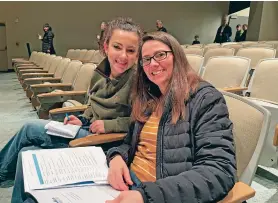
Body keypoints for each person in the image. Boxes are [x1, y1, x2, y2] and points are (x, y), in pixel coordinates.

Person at [0, 17, 143, 203]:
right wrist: (82, 120)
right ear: (106, 47)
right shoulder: (99, 74)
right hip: (87, 131)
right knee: (25, 154)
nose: (123, 56)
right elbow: (92, 107)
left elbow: (141, 123)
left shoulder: (138, 82)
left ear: (138, 54)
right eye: (117, 47)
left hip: (107, 144)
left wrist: (108, 125)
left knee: (29, 128)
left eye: (131, 50)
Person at [106, 32, 236, 203]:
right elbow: (128, 144)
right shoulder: (148, 98)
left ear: (177, 56)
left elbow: (219, 171)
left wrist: (145, 196)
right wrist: (116, 157)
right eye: (146, 59)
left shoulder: (205, 99)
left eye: (160, 55)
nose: (153, 64)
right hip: (129, 185)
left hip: (159, 195)